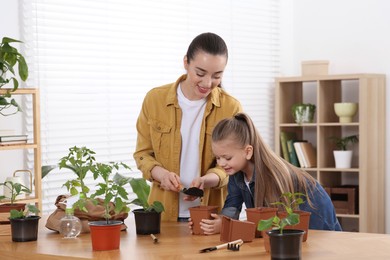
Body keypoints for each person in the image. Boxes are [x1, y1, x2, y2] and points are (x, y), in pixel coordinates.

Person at [133, 32, 242, 222]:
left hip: (211, 216)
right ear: (186, 62)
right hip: (162, 215)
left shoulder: (230, 107)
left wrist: (207, 180)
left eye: (217, 75)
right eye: (200, 73)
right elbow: (143, 154)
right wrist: (162, 175)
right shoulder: (155, 99)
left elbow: (234, 163)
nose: (207, 83)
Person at [189, 112, 342, 234]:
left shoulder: (273, 175)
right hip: (288, 219)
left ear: (248, 151)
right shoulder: (236, 175)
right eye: (218, 158)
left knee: (320, 248)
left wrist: (228, 227)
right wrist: (216, 222)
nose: (221, 163)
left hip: (313, 207)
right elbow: (232, 207)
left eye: (227, 157)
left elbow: (271, 223)